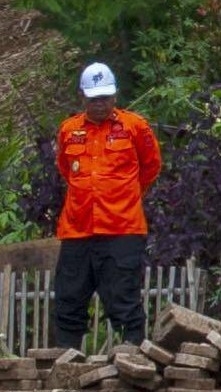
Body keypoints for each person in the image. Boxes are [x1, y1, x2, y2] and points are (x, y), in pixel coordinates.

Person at [49, 62, 165, 349]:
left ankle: (132, 360)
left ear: (115, 97)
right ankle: (66, 363)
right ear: (82, 97)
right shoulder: (68, 130)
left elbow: (151, 167)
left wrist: (123, 196)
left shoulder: (135, 127)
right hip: (78, 230)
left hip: (123, 229)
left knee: (124, 298)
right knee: (68, 298)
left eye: (105, 97)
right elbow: (66, 169)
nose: (99, 104)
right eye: (93, 98)